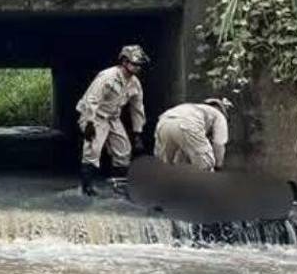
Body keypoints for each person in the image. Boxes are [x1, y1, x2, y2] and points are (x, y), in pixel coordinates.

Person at [76, 45, 149, 196]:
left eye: (139, 65)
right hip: (95, 115)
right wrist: (89, 123)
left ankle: (119, 186)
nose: (137, 67)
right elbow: (92, 99)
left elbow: (137, 108)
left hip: (113, 117)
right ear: (124, 62)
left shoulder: (134, 83)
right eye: (134, 64)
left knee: (123, 150)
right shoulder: (108, 76)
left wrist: (137, 133)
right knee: (93, 149)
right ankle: (86, 187)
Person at [154, 98, 232, 172]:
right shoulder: (219, 115)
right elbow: (219, 144)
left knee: (166, 165)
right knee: (206, 165)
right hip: (187, 125)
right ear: (221, 110)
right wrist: (218, 166)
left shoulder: (193, 108)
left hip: (163, 122)